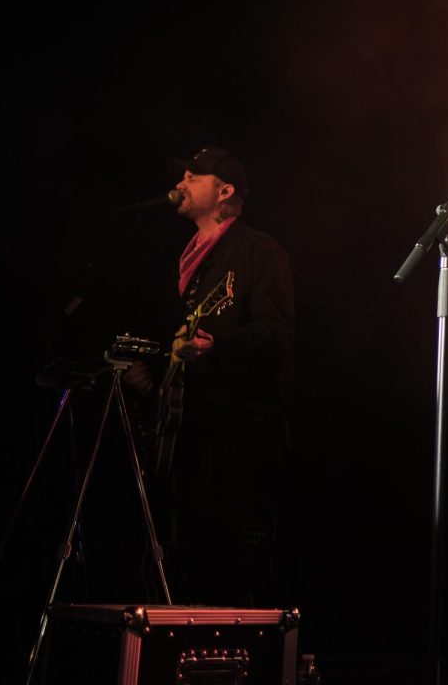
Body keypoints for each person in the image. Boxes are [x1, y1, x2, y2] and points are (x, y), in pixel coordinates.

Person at [126, 146, 294, 607]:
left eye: (193, 176)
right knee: (179, 543)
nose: (181, 182)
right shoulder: (187, 259)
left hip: (235, 429)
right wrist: (156, 368)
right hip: (187, 427)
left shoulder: (258, 250)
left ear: (225, 192)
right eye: (181, 175)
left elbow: (276, 333)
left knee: (222, 550)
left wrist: (217, 347)